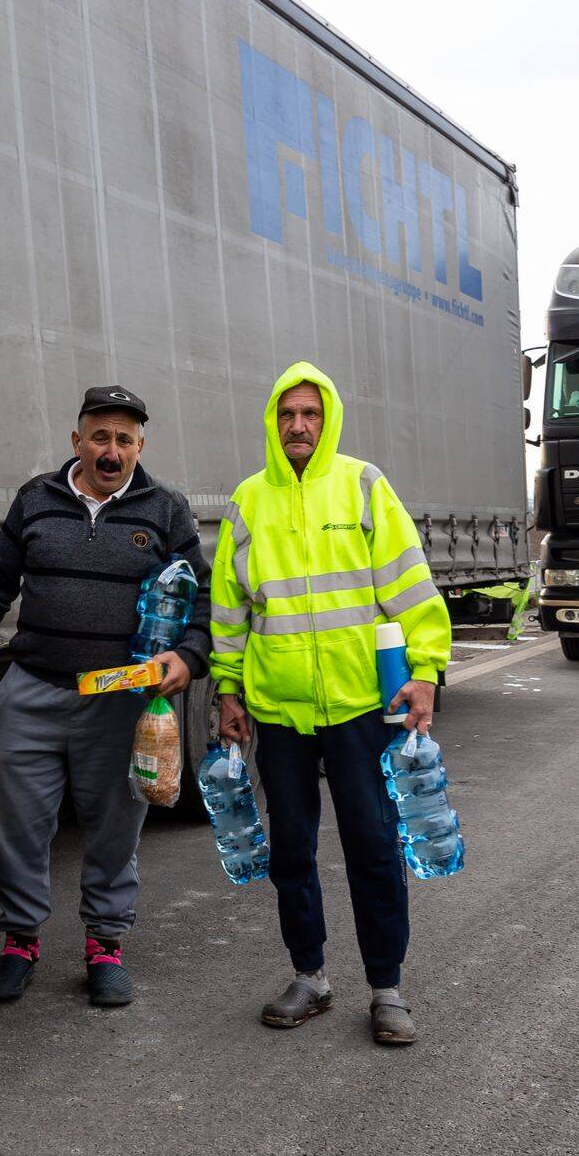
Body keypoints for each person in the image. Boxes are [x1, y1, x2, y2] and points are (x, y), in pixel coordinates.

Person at [208, 361, 451, 1046]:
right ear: (272, 423)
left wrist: (426, 671)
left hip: (359, 708)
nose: (299, 426)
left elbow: (410, 585)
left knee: (373, 845)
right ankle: (310, 975)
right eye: (287, 415)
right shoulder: (249, 501)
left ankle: (387, 987)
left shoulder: (364, 485)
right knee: (292, 850)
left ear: (329, 419)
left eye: (311, 414)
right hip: (281, 711)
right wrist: (228, 688)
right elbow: (229, 608)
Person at [0, 386, 211, 1007]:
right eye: (100, 437)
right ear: (77, 441)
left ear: (140, 446)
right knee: (13, 826)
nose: (111, 451)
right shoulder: (36, 499)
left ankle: (105, 946)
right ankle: (19, 943)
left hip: (119, 699)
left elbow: (201, 597)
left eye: (124, 439)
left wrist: (189, 655)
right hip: (34, 689)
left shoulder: (164, 510)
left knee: (116, 825)